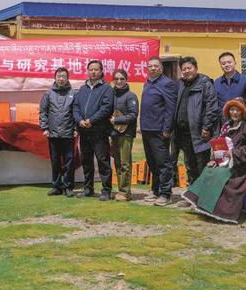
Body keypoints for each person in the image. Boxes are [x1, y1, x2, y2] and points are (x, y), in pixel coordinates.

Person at [183, 99, 246, 223]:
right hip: (224, 162)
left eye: (238, 110)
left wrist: (233, 153)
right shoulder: (227, 126)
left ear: (243, 112)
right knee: (209, 170)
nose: (234, 113)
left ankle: (220, 211)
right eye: (232, 109)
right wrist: (215, 160)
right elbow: (219, 145)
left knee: (219, 174)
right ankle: (204, 206)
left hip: (239, 165)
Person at [170, 56, 220, 189]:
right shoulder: (181, 84)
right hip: (183, 133)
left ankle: (204, 195)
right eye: (183, 69)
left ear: (196, 68)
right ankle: (193, 193)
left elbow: (211, 106)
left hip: (199, 133)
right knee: (190, 166)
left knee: (202, 165)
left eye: (189, 68)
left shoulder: (205, 83)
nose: (186, 71)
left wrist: (206, 126)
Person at [72, 60, 114, 200]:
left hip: (99, 131)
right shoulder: (82, 89)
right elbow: (75, 107)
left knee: (103, 161)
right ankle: (88, 189)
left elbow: (106, 108)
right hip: (84, 131)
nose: (93, 72)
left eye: (96, 69)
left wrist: (92, 120)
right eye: (91, 69)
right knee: (86, 162)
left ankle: (106, 191)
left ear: (101, 71)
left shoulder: (106, 88)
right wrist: (80, 120)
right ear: (87, 71)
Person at [138, 57, 177, 206]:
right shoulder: (147, 82)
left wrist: (167, 128)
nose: (153, 68)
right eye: (150, 66)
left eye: (155, 66)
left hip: (159, 130)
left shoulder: (167, 83)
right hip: (147, 129)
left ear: (161, 68)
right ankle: (156, 190)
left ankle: (166, 193)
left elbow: (170, 107)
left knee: (163, 163)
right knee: (152, 162)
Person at [39, 66, 76, 196]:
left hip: (68, 133)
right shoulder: (48, 94)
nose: (61, 79)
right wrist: (45, 127)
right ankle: (56, 186)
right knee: (55, 161)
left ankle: (68, 187)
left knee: (69, 161)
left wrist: (76, 128)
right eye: (59, 76)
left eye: (63, 76)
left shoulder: (73, 93)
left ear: (68, 78)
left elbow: (76, 112)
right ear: (55, 78)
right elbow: (43, 111)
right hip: (53, 133)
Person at [109, 69, 138, 201]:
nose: (119, 81)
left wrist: (117, 120)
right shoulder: (111, 95)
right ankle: (121, 190)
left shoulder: (131, 96)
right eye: (116, 79)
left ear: (126, 80)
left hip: (126, 133)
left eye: (122, 78)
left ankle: (125, 192)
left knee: (125, 163)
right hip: (114, 133)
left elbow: (133, 115)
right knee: (118, 162)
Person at [214, 51, 246, 117]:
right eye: (223, 63)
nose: (226, 65)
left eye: (229, 62)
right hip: (223, 120)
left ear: (235, 63)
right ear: (220, 65)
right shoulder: (217, 83)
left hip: (242, 120)